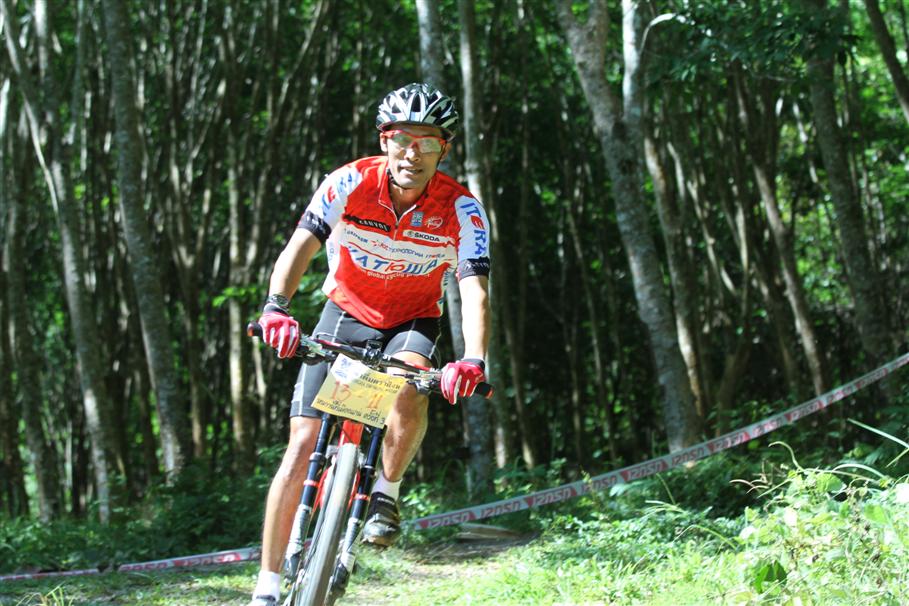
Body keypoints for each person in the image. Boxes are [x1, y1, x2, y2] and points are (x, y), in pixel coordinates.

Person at [247, 82, 491, 606]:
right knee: (301, 448)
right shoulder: (349, 182)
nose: (413, 153)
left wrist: (473, 359)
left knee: (411, 383)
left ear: (444, 150)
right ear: (385, 141)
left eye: (428, 142)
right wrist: (275, 308)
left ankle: (387, 492)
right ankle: (266, 589)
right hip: (345, 313)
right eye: (402, 139)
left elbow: (474, 287)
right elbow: (300, 246)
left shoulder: (463, 208)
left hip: (412, 321)